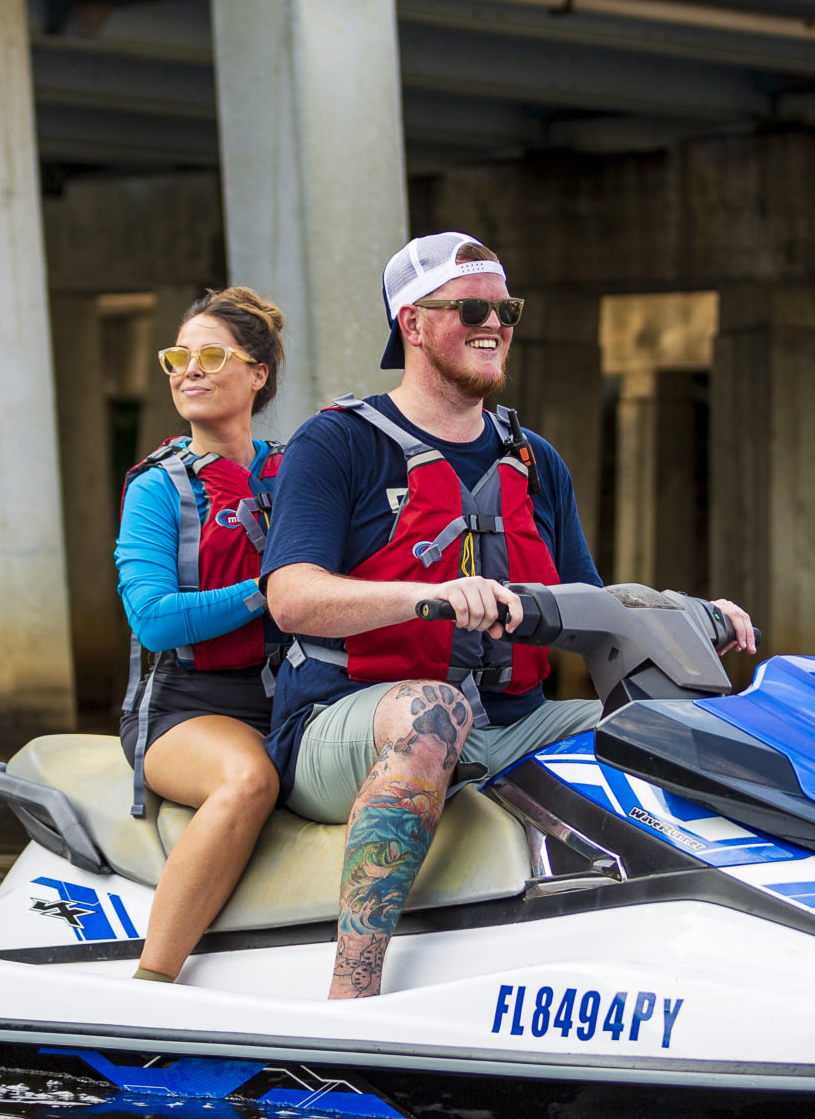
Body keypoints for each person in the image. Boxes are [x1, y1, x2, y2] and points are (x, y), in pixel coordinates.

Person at [261, 233, 754, 1001]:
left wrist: (689, 610)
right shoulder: (337, 444)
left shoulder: (534, 460)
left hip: (509, 721)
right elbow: (290, 595)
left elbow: (595, 607)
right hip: (342, 725)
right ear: (413, 324)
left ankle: (715, 948)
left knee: (669, 725)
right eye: (472, 308)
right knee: (436, 709)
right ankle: (351, 993)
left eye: (507, 308)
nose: (496, 323)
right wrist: (426, 596)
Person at [113, 286, 289, 983]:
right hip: (185, 707)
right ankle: (152, 984)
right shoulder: (158, 488)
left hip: (295, 695)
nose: (190, 369)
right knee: (249, 780)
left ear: (258, 373)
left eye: (211, 355)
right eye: (178, 357)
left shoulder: (296, 471)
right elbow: (152, 617)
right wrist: (267, 592)